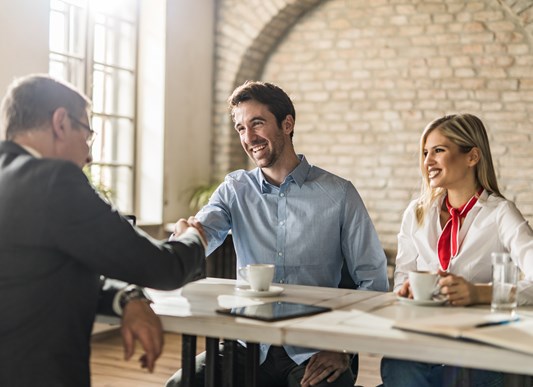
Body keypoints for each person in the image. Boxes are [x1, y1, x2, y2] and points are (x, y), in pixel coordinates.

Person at [166, 80, 389, 387]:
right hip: (245, 342)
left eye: (257, 123)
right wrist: (187, 237)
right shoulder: (234, 189)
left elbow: (373, 281)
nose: (249, 137)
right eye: (241, 128)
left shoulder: (339, 194)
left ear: (287, 124)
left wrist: (343, 346)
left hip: (314, 348)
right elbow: (203, 233)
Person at [0, 74, 207, 387]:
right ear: (60, 122)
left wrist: (127, 296)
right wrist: (193, 237)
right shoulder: (54, 181)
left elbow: (40, 273)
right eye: (87, 133)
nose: (90, 154)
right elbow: (164, 269)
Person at [380, 113, 533, 387]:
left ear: (472, 156)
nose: (427, 161)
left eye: (439, 150)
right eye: (425, 152)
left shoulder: (500, 213)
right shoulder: (416, 213)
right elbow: (403, 277)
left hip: (481, 344)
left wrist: (479, 293)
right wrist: (406, 289)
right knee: (397, 365)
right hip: (423, 338)